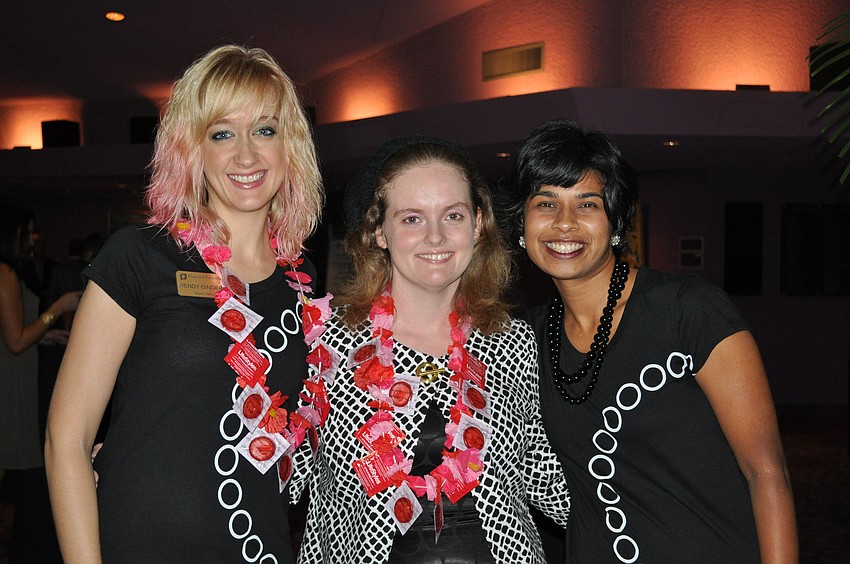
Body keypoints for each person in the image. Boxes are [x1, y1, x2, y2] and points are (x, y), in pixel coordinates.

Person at [45, 45, 327, 563]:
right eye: (222, 133)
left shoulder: (302, 283)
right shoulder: (139, 256)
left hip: (257, 546)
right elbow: (67, 438)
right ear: (193, 149)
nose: (246, 155)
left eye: (264, 130)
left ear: (290, 146)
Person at [500, 119, 798, 563]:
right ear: (522, 226)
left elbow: (766, 472)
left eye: (587, 205)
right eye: (546, 203)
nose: (564, 224)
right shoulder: (523, 341)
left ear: (616, 223)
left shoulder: (688, 310)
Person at [290, 135, 570, 564]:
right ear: (378, 231)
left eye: (452, 215)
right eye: (412, 219)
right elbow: (283, 477)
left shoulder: (512, 342)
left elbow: (541, 474)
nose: (436, 236)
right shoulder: (326, 341)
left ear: (478, 225)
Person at [0, 201, 80, 562]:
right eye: (29, 231)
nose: (34, 237)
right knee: (19, 471)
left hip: (18, 372)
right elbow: (16, 341)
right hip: (14, 381)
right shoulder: (4, 272)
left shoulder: (11, 271)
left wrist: (48, 337)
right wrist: (58, 307)